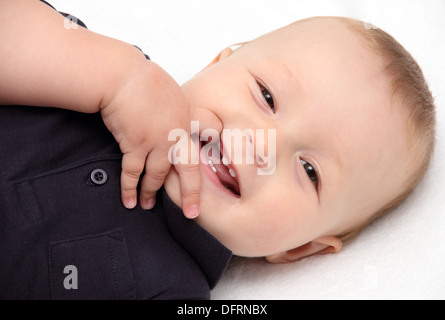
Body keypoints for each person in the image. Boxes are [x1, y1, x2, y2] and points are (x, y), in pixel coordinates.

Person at [0, 0, 435, 299]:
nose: (262, 147)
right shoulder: (113, 73)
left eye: (309, 170)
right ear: (216, 64)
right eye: (266, 97)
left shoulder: (175, 291)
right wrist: (117, 78)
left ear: (302, 249)